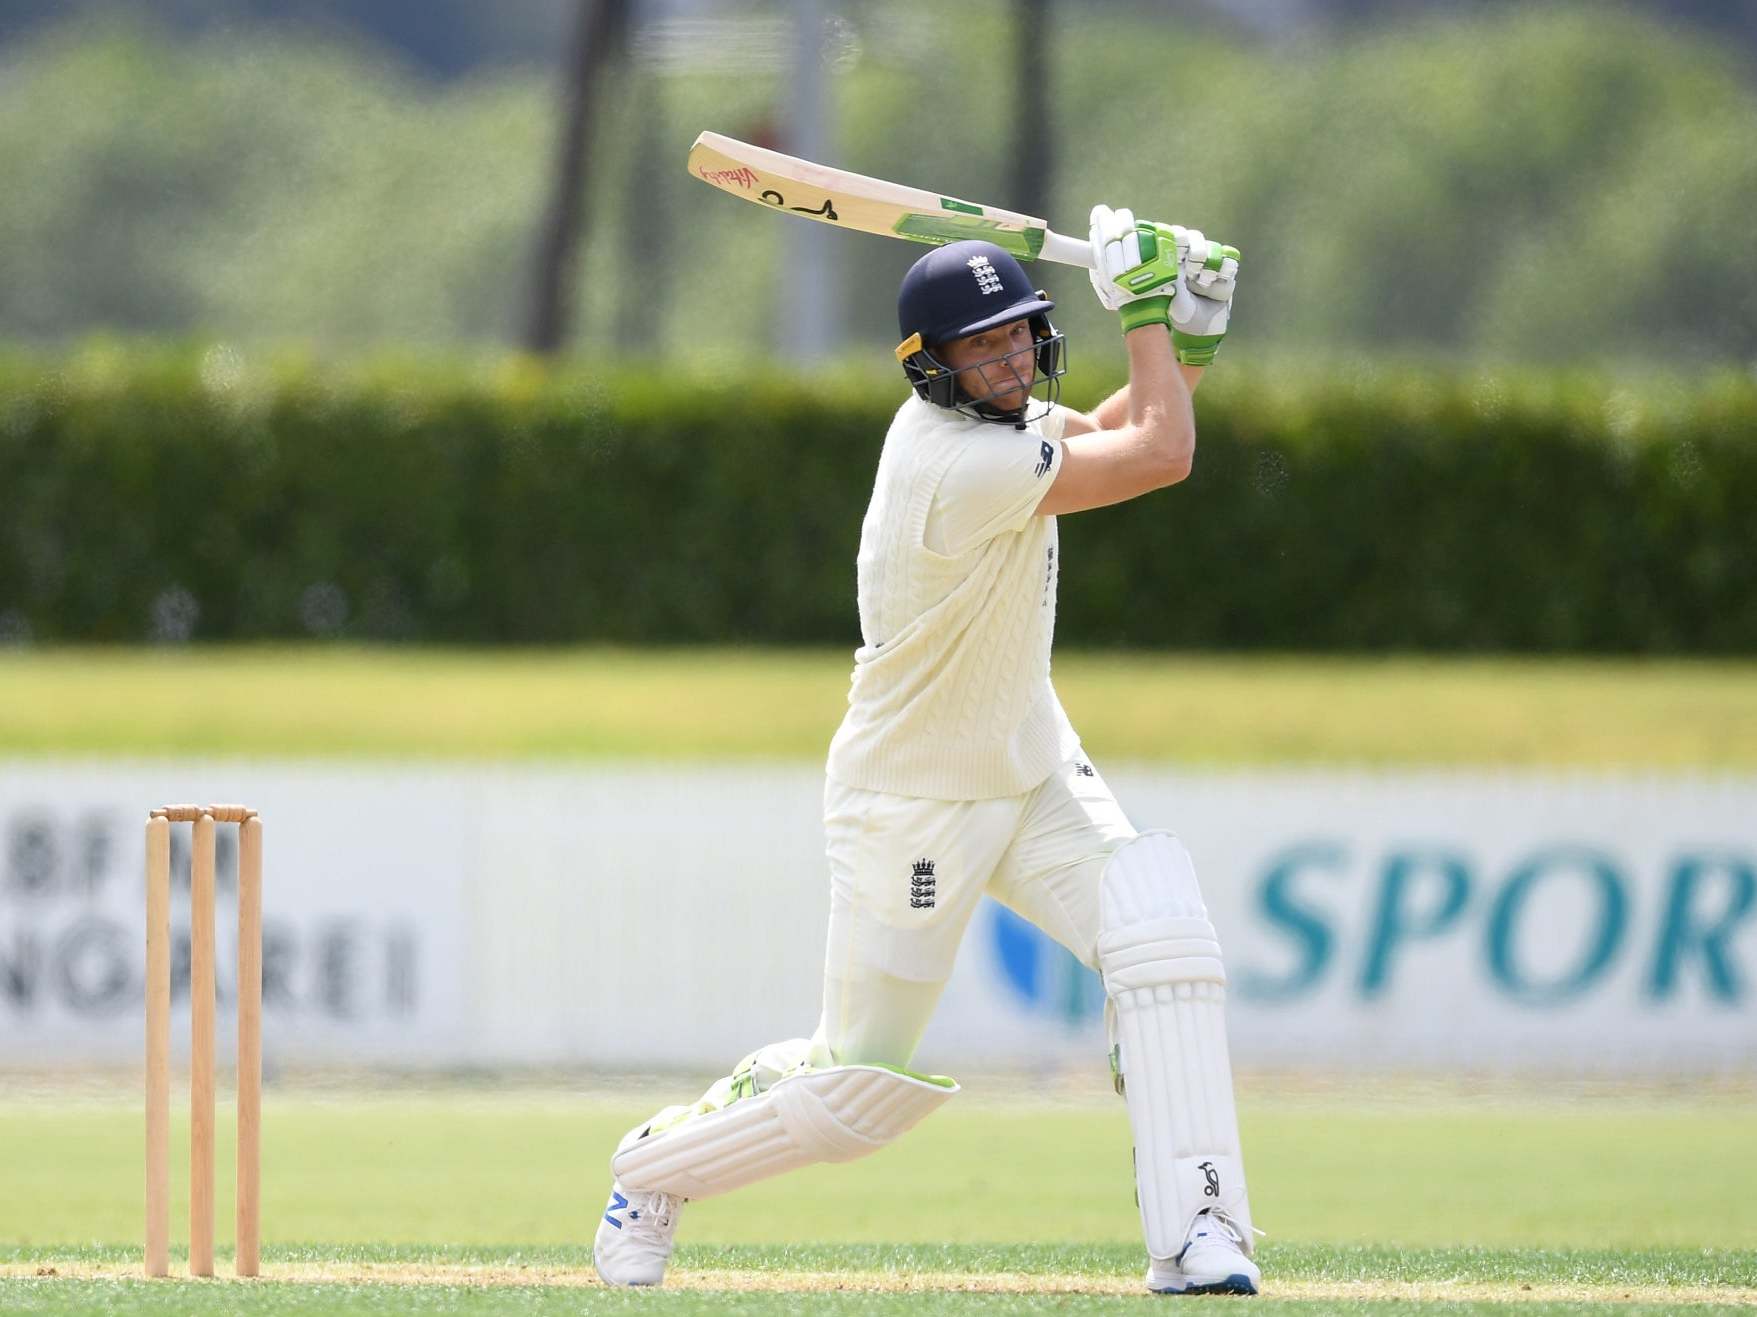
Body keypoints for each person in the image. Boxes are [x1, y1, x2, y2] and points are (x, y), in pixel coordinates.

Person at [593, 206, 1258, 1296]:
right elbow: (1160, 452)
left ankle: (1197, 1231)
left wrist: (1188, 333)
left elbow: (1118, 423)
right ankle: (651, 1173)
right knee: (854, 1089)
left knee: (1162, 939)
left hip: (1032, 768)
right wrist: (1143, 307)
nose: (1005, 362)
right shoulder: (955, 466)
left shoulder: (1007, 438)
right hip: (912, 803)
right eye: (979, 348)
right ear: (930, 369)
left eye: (1017, 338)